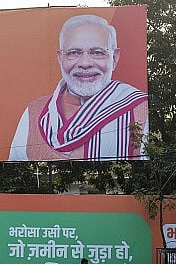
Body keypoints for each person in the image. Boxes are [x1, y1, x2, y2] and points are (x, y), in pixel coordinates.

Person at [9, 14, 148, 161]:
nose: (85, 63)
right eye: (74, 53)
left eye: (97, 52)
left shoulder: (141, 110)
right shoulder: (34, 112)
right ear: (60, 58)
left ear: (114, 58)